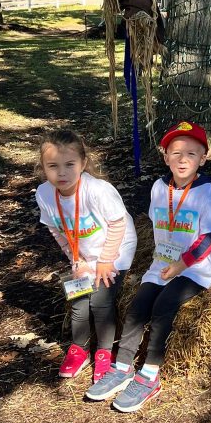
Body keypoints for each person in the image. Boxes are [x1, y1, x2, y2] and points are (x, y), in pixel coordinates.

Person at [85, 121, 211, 411]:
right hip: (161, 264)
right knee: (137, 307)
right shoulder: (159, 187)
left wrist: (182, 264)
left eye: (191, 153)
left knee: (163, 306)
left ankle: (149, 374)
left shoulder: (207, 191)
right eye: (176, 153)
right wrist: (168, 263)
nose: (182, 159)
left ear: (203, 158)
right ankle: (122, 367)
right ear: (165, 156)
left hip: (194, 269)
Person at [36, 129, 137, 383]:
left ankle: (104, 352)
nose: (61, 173)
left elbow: (117, 224)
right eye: (53, 166)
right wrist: (77, 260)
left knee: (100, 301)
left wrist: (105, 261)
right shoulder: (44, 194)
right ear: (43, 168)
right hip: (84, 253)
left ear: (83, 163)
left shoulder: (98, 190)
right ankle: (79, 349)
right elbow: (56, 229)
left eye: (69, 164)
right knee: (79, 301)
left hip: (116, 247)